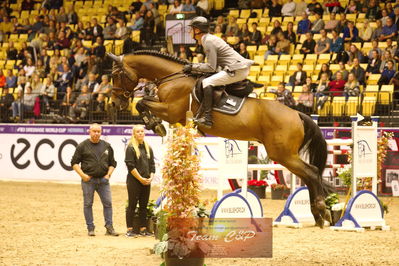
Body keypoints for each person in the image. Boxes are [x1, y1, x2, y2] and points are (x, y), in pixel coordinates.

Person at [183, 16, 253, 128]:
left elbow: (211, 67)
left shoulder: (208, 41)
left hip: (237, 69)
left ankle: (207, 118)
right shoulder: (208, 39)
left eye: (191, 29)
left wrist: (192, 66)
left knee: (207, 82)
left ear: (197, 30)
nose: (190, 31)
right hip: (235, 67)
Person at [71, 123, 119, 237]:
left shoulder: (107, 146)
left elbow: (113, 163)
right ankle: (90, 228)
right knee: (88, 204)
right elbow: (74, 163)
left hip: (103, 181)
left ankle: (109, 227)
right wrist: (83, 176)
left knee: (108, 204)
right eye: (94, 131)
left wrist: (108, 175)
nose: (97, 133)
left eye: (99, 131)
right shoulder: (82, 146)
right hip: (88, 181)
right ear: (89, 131)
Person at [125, 125, 155, 237]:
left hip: (146, 181)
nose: (140, 133)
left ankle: (143, 229)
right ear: (134, 134)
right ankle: (130, 230)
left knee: (144, 205)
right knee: (132, 205)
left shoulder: (148, 148)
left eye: (142, 131)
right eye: (138, 132)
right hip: (134, 181)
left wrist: (150, 177)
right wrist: (140, 179)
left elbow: (152, 165)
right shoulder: (131, 148)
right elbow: (130, 166)